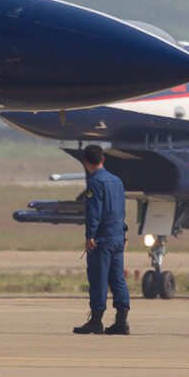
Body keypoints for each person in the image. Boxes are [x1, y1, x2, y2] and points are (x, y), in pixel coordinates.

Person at [73, 144, 131, 335]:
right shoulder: (118, 181)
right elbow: (121, 211)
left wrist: (90, 235)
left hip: (102, 239)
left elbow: (94, 212)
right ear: (103, 159)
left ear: (85, 162)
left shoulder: (95, 183)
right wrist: (123, 234)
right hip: (117, 237)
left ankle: (96, 321)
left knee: (99, 278)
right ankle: (122, 322)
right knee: (118, 280)